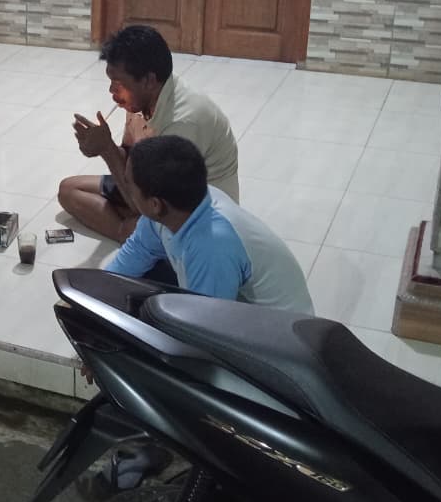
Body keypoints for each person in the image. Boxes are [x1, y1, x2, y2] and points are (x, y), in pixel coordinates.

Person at [58, 25, 240, 243]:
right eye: (111, 82)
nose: (112, 92)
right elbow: (129, 158)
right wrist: (101, 145)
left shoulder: (181, 122)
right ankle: (127, 230)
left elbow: (149, 205)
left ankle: (128, 233)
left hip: (195, 212)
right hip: (153, 190)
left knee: (139, 220)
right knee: (69, 189)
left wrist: (107, 149)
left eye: (119, 84)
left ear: (149, 81)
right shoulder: (141, 99)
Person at [104, 135, 312, 313]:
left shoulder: (212, 246)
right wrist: (95, 293)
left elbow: (202, 326)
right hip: (228, 304)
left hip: (273, 336)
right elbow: (137, 251)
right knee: (135, 284)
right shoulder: (181, 204)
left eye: (129, 185)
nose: (126, 189)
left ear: (155, 204)